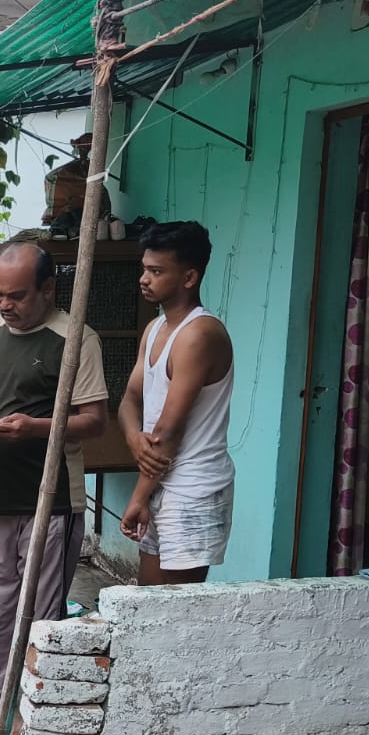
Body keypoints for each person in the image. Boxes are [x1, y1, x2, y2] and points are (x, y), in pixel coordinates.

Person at [0, 242, 109, 712]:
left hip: (48, 499)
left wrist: (35, 428)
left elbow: (95, 421)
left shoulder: (75, 339)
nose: (5, 305)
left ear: (48, 289)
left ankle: (34, 705)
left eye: (16, 295)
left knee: (39, 609)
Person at [117, 221, 235, 585]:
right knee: (149, 600)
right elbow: (129, 401)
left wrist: (138, 498)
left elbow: (168, 431)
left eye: (156, 271)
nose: (144, 279)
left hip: (194, 488)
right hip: (160, 482)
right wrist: (134, 438)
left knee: (177, 607)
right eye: (144, 269)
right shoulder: (155, 329)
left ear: (189, 277)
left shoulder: (200, 334)